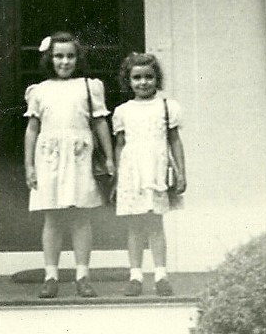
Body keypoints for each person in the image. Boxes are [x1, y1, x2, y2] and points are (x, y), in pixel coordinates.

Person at [24, 32, 115, 299]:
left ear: (78, 58)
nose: (65, 62)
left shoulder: (89, 87)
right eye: (59, 56)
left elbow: (100, 123)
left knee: (80, 218)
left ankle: (82, 275)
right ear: (49, 59)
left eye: (70, 56)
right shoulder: (40, 90)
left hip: (79, 156)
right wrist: (29, 165)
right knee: (52, 218)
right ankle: (51, 275)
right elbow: (32, 129)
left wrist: (109, 157)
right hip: (50, 157)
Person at [113, 52, 187, 297]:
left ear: (157, 79)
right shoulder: (123, 111)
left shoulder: (167, 107)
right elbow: (120, 145)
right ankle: (135, 275)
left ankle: (161, 275)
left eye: (148, 77)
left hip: (156, 170)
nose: (143, 82)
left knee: (156, 224)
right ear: (128, 80)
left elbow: (174, 141)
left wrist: (181, 172)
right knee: (134, 226)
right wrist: (116, 176)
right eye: (137, 78)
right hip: (132, 173)